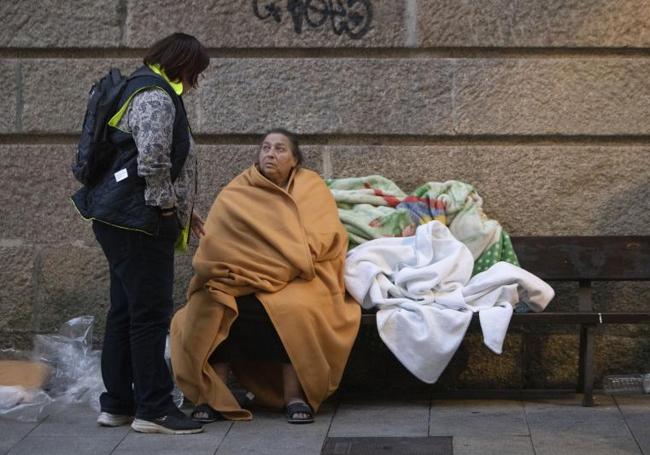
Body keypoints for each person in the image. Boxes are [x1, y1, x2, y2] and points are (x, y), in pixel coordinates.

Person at [170, 129, 361, 424]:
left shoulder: (311, 187)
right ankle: (213, 396)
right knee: (213, 302)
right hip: (240, 277)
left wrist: (279, 262)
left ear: (295, 160)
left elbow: (324, 238)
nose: (270, 154)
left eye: (280, 149)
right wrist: (253, 266)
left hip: (300, 276)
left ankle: (294, 396)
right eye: (265, 148)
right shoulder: (237, 191)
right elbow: (217, 243)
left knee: (292, 308)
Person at [71, 33, 209, 434]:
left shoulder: (137, 87)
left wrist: (185, 208)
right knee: (149, 315)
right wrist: (167, 207)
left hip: (120, 217)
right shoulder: (155, 95)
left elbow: (136, 160)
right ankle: (155, 409)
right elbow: (151, 159)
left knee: (125, 311)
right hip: (139, 221)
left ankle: (117, 404)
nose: (195, 80)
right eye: (195, 71)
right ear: (181, 63)